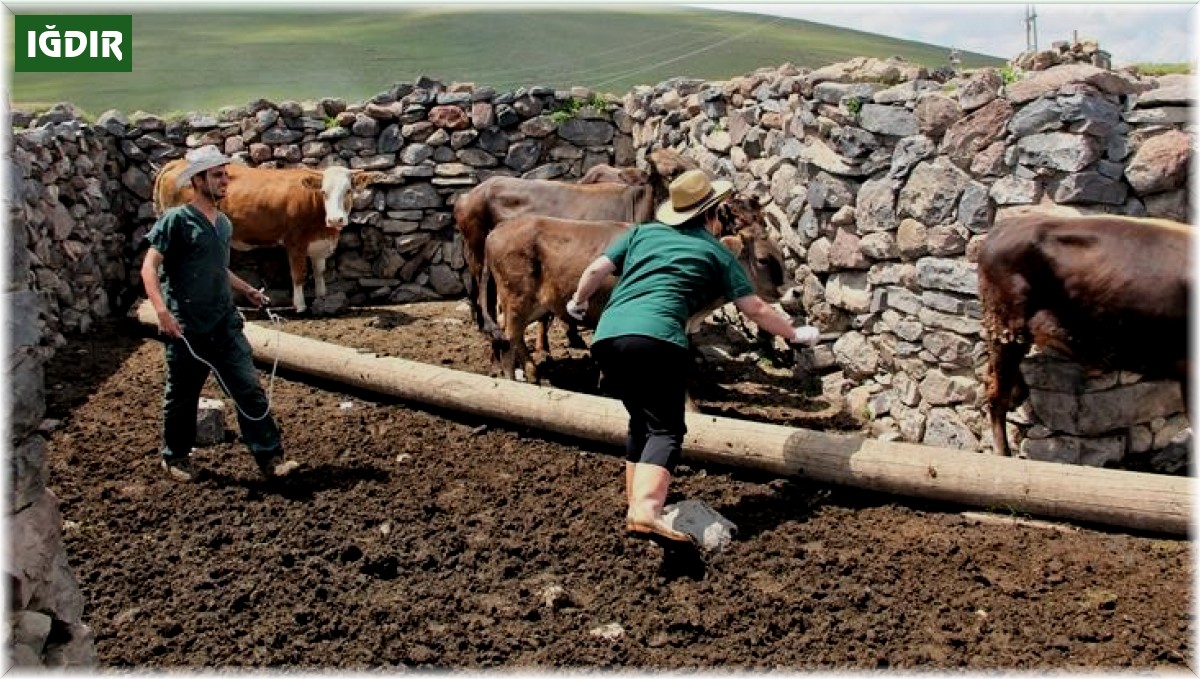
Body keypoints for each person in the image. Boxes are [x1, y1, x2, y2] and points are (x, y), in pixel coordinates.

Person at [566, 168, 820, 547]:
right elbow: (754, 308)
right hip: (657, 340)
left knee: (641, 422)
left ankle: (636, 504)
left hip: (607, 337)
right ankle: (646, 511)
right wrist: (794, 334)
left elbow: (596, 268)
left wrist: (578, 302)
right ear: (712, 214)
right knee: (667, 429)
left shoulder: (640, 233)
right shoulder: (716, 251)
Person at [140, 145, 298, 482]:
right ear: (197, 181)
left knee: (249, 389)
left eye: (225, 175)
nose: (224, 181)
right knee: (182, 396)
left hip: (224, 323)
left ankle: (270, 458)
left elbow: (216, 267)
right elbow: (149, 267)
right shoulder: (176, 220)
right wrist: (162, 312)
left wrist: (246, 289)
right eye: (216, 176)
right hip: (187, 327)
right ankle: (175, 457)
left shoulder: (223, 223)